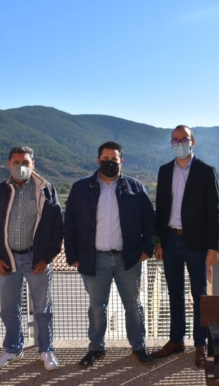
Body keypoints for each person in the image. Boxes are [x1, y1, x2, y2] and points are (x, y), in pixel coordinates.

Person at [64, 141, 156, 367]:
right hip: (94, 259)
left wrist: (148, 249)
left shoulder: (135, 187)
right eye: (105, 160)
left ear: (121, 161)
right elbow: (71, 223)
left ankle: (138, 346)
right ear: (98, 160)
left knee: (133, 305)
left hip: (129, 258)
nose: (109, 164)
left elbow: (150, 221)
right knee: (97, 307)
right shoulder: (81, 188)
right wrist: (72, 254)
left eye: (113, 160)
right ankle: (96, 348)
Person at [0, 146, 63, 371]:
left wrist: (46, 258)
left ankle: (46, 350)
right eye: (16, 162)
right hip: (7, 260)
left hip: (37, 260)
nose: (21, 167)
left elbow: (57, 228)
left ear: (33, 164)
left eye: (25, 162)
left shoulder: (46, 190)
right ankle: (13, 348)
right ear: (8, 164)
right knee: (8, 307)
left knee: (42, 308)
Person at [153, 125, 219, 367]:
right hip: (170, 241)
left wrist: (213, 248)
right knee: (174, 294)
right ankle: (176, 340)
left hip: (197, 244)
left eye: (184, 139)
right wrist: (158, 242)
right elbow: (160, 210)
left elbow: (214, 213)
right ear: (171, 143)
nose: (179, 144)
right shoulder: (163, 172)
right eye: (175, 140)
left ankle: (200, 344)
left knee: (199, 295)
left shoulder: (205, 171)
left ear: (193, 142)